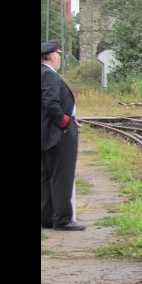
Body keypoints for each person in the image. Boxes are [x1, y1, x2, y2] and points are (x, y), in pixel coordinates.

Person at [41, 40, 85, 230]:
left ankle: (47, 217)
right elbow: (51, 104)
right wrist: (65, 122)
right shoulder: (49, 75)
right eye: (58, 54)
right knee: (62, 176)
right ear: (52, 56)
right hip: (58, 134)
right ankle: (63, 219)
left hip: (47, 133)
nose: (59, 57)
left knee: (46, 176)